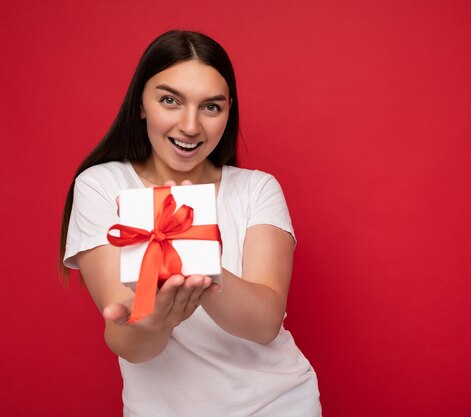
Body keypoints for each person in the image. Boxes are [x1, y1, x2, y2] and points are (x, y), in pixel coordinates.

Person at [59, 30, 321, 416]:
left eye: (211, 107)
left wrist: (198, 259)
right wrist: (155, 320)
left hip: (279, 404)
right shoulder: (103, 186)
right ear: (141, 104)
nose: (191, 126)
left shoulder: (257, 189)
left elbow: (265, 323)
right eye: (170, 100)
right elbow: (131, 343)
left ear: (228, 111)